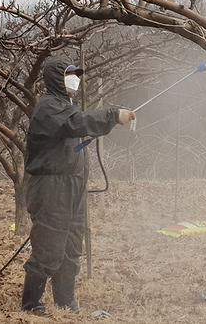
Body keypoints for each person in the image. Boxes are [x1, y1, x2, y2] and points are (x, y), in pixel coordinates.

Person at [21, 55, 135, 314]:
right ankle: (31, 304)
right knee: (49, 245)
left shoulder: (64, 105)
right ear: (56, 79)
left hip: (73, 188)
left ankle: (65, 301)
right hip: (51, 189)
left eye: (77, 75)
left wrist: (108, 120)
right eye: (69, 75)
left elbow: (77, 123)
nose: (75, 80)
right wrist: (112, 115)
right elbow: (76, 123)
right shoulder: (49, 107)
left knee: (72, 244)